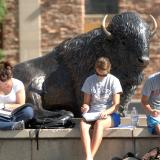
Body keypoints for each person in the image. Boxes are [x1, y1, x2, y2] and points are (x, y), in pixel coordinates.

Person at [80, 57, 123, 160]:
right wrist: (85, 107)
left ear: (108, 69)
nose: (103, 75)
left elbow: (116, 105)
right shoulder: (89, 80)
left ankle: (90, 157)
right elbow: (86, 103)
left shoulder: (114, 80)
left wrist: (106, 112)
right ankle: (88, 156)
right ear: (96, 68)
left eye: (105, 73)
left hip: (110, 114)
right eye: (100, 72)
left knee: (99, 123)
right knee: (82, 124)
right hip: (92, 113)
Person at [0, 61, 34, 130]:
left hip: (14, 114)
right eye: (2, 82)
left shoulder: (18, 84)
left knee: (28, 111)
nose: (6, 85)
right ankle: (13, 125)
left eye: (7, 81)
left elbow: (21, 104)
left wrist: (3, 106)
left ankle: (6, 124)